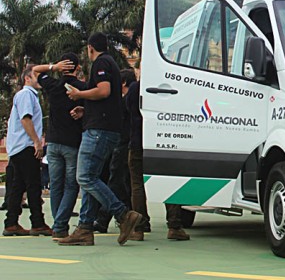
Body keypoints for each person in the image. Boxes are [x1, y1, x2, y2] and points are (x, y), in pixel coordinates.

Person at [58, 33, 143, 246]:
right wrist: (85, 108)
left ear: (89, 48)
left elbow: (103, 91)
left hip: (98, 130)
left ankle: (123, 214)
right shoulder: (111, 63)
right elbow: (106, 96)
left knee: (85, 177)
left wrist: (79, 95)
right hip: (105, 127)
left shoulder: (101, 62)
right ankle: (85, 228)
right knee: (92, 178)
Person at [126, 70, 190, 241]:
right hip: (163, 141)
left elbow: (128, 110)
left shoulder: (134, 88)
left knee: (137, 185)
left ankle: (139, 227)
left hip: (138, 141)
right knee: (170, 182)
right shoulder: (170, 89)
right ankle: (174, 226)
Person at [33, 54, 85, 239]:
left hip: (53, 142)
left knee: (55, 185)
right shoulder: (81, 88)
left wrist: (53, 67)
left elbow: (35, 70)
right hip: (72, 142)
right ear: (77, 68)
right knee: (71, 185)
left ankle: (58, 225)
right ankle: (60, 224)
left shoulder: (52, 85)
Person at [2, 64, 52, 236]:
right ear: (27, 78)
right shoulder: (26, 95)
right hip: (25, 146)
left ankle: (11, 221)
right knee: (33, 184)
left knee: (19, 185)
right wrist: (37, 142)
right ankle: (37, 222)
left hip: (19, 146)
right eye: (36, 75)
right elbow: (26, 119)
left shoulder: (27, 95)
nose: (40, 78)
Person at [93, 69, 133, 233]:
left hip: (122, 144)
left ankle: (103, 219)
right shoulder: (134, 99)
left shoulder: (124, 102)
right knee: (126, 184)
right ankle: (135, 218)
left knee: (115, 182)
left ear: (123, 83)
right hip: (130, 144)